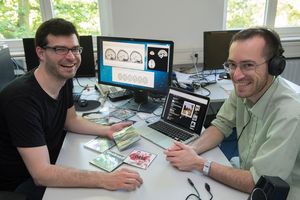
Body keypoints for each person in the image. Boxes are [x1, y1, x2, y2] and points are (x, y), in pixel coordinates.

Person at [0, 18, 143, 200]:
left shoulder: (62, 78)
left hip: (52, 160)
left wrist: (107, 130)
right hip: (21, 183)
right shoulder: (20, 100)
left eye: (75, 49)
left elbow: (70, 120)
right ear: (41, 53)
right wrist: (105, 179)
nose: (71, 57)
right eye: (60, 49)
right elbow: (41, 174)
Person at [164, 27, 300, 200]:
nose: (236, 75)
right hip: (245, 173)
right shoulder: (243, 90)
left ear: (274, 66)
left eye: (248, 65)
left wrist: (199, 163)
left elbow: (257, 182)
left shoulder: (290, 113)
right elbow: (221, 125)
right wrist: (191, 150)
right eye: (232, 65)